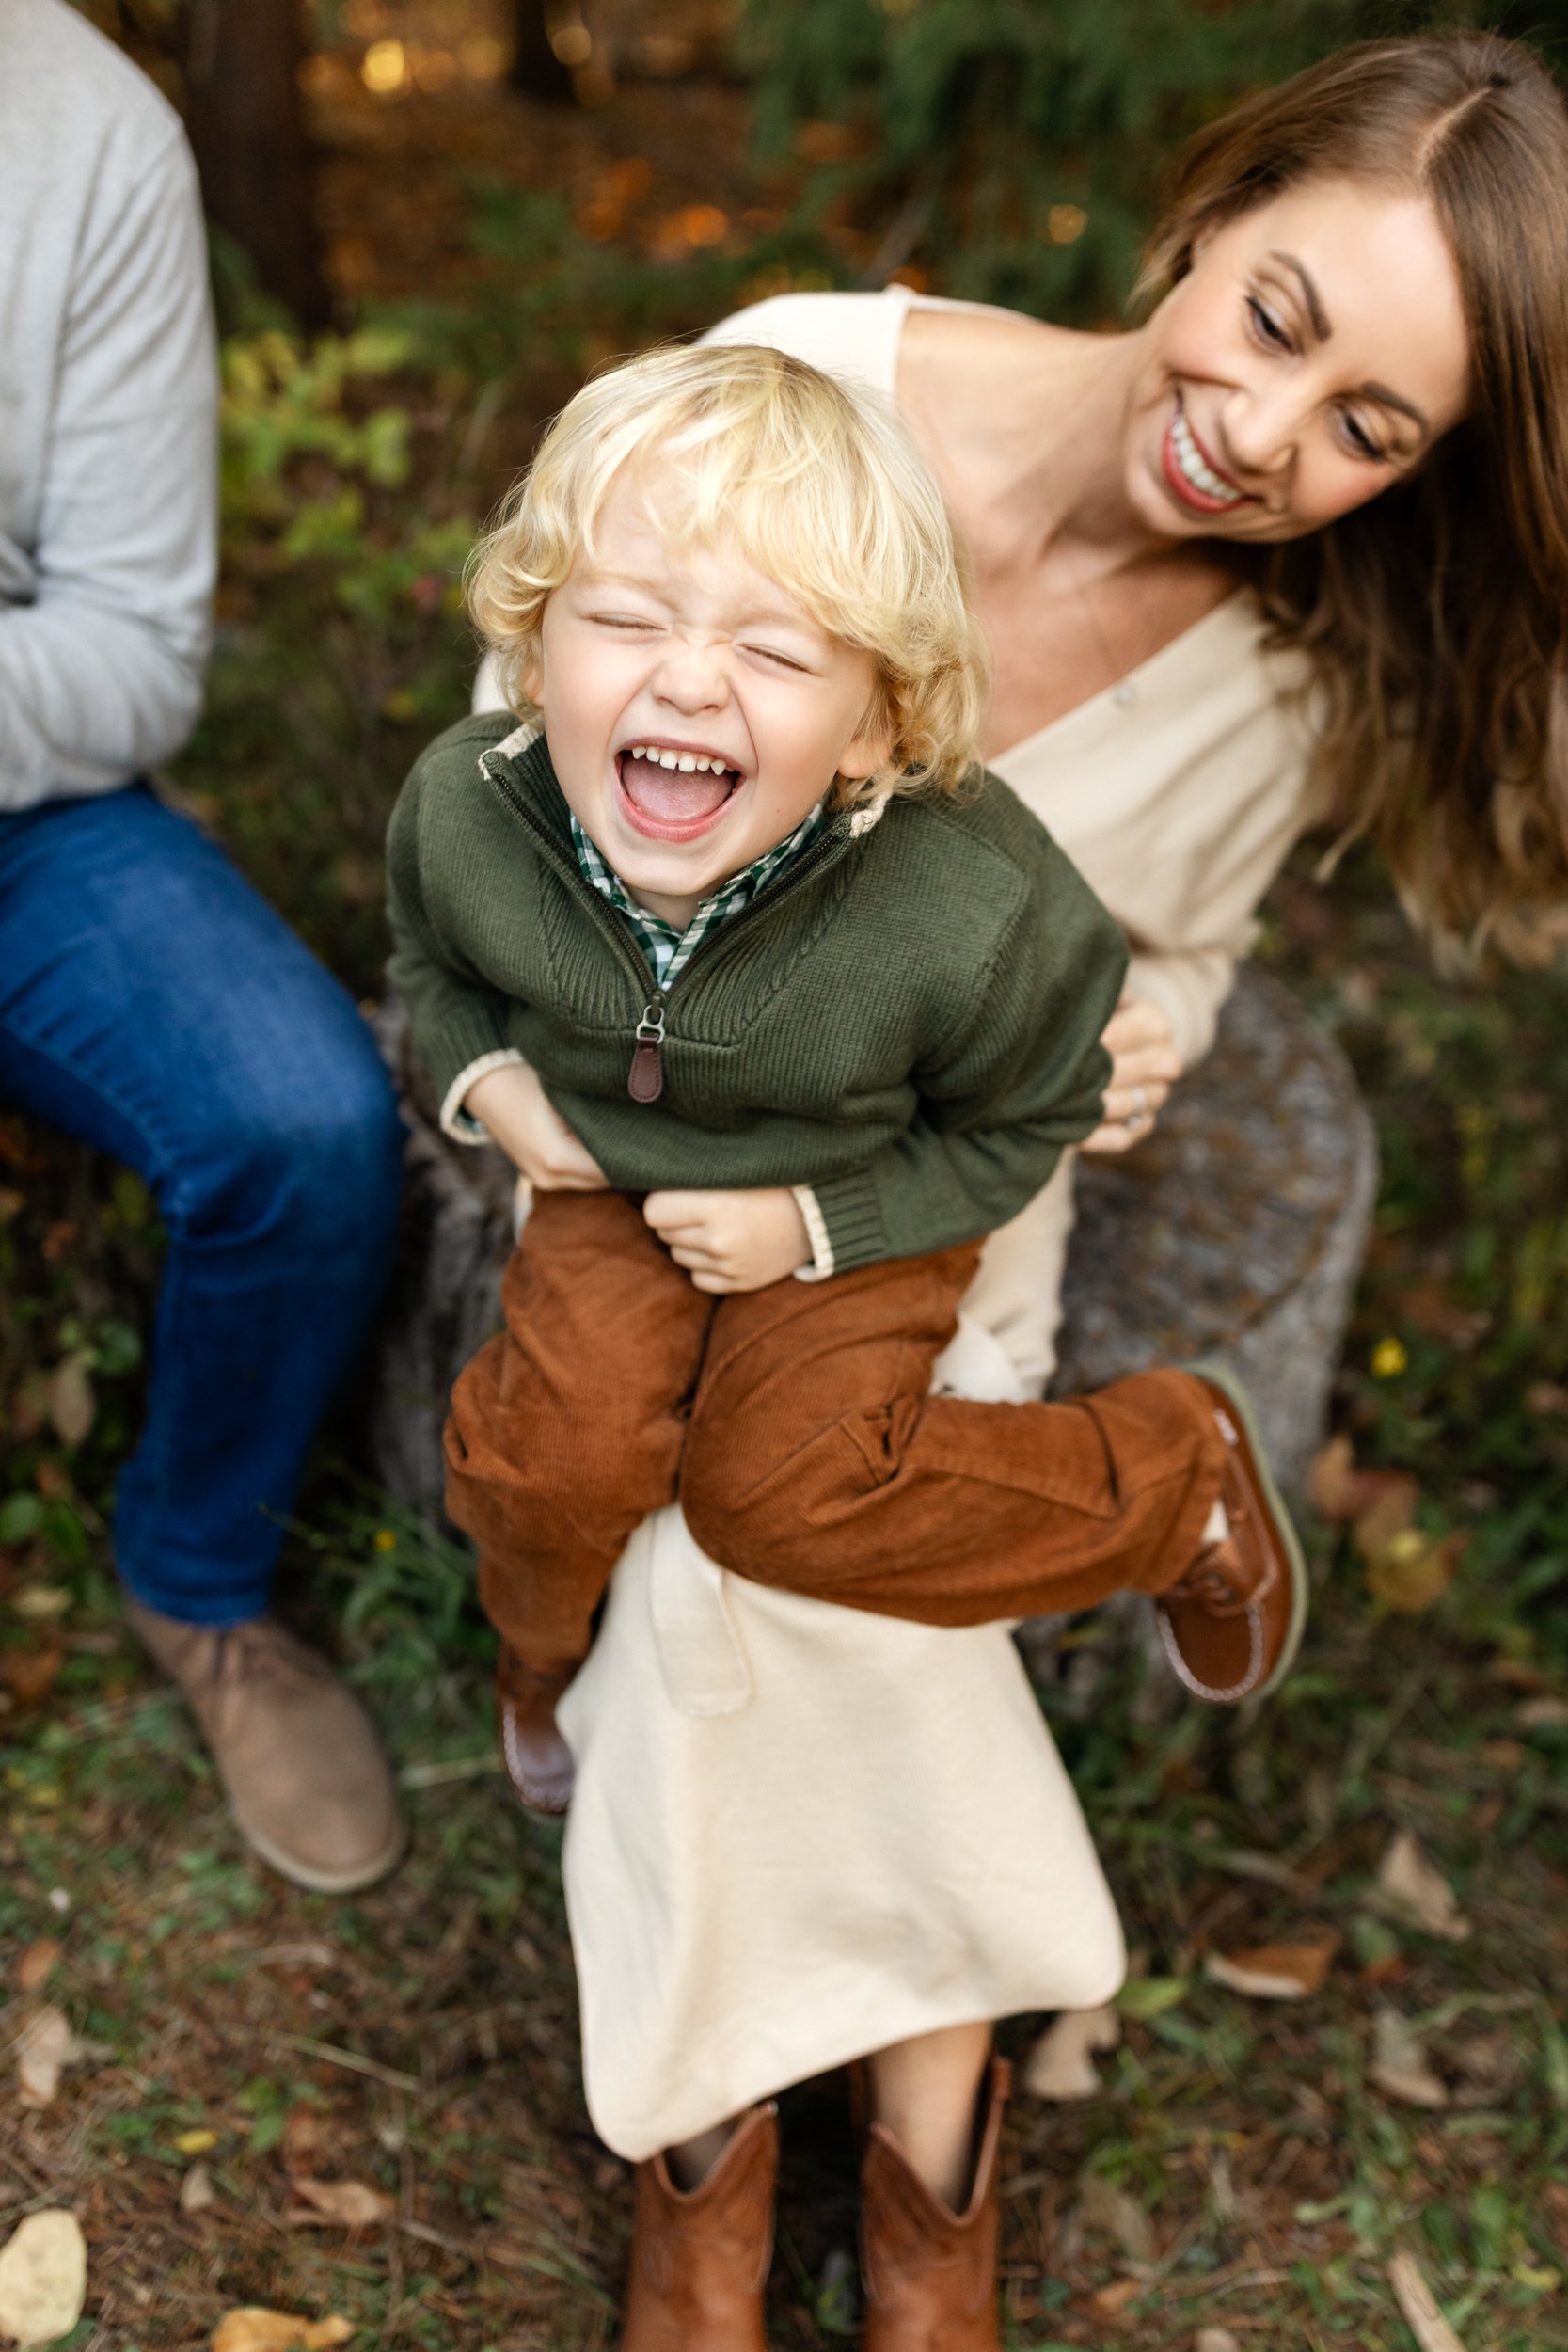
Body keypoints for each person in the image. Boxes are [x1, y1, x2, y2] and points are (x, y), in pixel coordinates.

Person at [486, 31, 1568, 2348]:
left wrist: (1147, 1031)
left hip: (951, 1199)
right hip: (659, 1115)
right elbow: (532, 722)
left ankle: (761, 2163)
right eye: (1280, 321)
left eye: (1372, 426)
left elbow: (1159, 945)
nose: (1276, 438)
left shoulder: (1290, 685)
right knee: (718, 1501)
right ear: (1211, 213)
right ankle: (889, 2162)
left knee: (799, 1517)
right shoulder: (797, 386)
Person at [390, 342, 1307, 1823]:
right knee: (545, 1463)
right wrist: (488, 1078)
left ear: (877, 721)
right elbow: (429, 962)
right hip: (612, 1173)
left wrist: (810, 1225)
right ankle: (538, 1665)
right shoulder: (471, 804)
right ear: (536, 642)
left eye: (775, 651)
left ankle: (1167, 1474)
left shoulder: (974, 903)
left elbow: (1027, 1114)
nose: (687, 679)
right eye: (623, 620)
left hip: (868, 1174)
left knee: (780, 1497)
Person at [0, 0, 406, 1895]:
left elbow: (134, 651)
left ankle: (201, 1575)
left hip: (27, 805)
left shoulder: (88, 130)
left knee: (305, 1119)